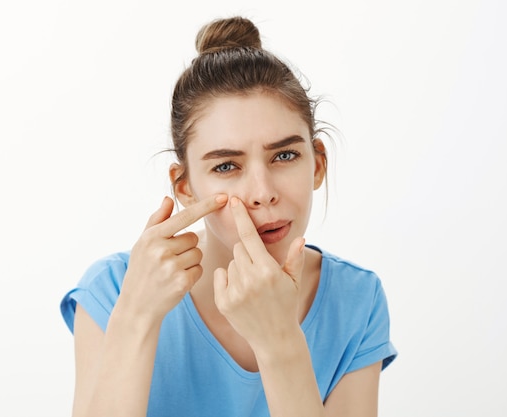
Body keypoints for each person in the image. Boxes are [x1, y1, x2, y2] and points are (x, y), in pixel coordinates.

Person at [60, 16, 396, 417]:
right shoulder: (112, 291)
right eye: (226, 167)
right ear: (185, 187)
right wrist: (136, 316)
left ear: (317, 164)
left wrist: (280, 342)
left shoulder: (355, 300)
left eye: (284, 156)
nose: (262, 193)